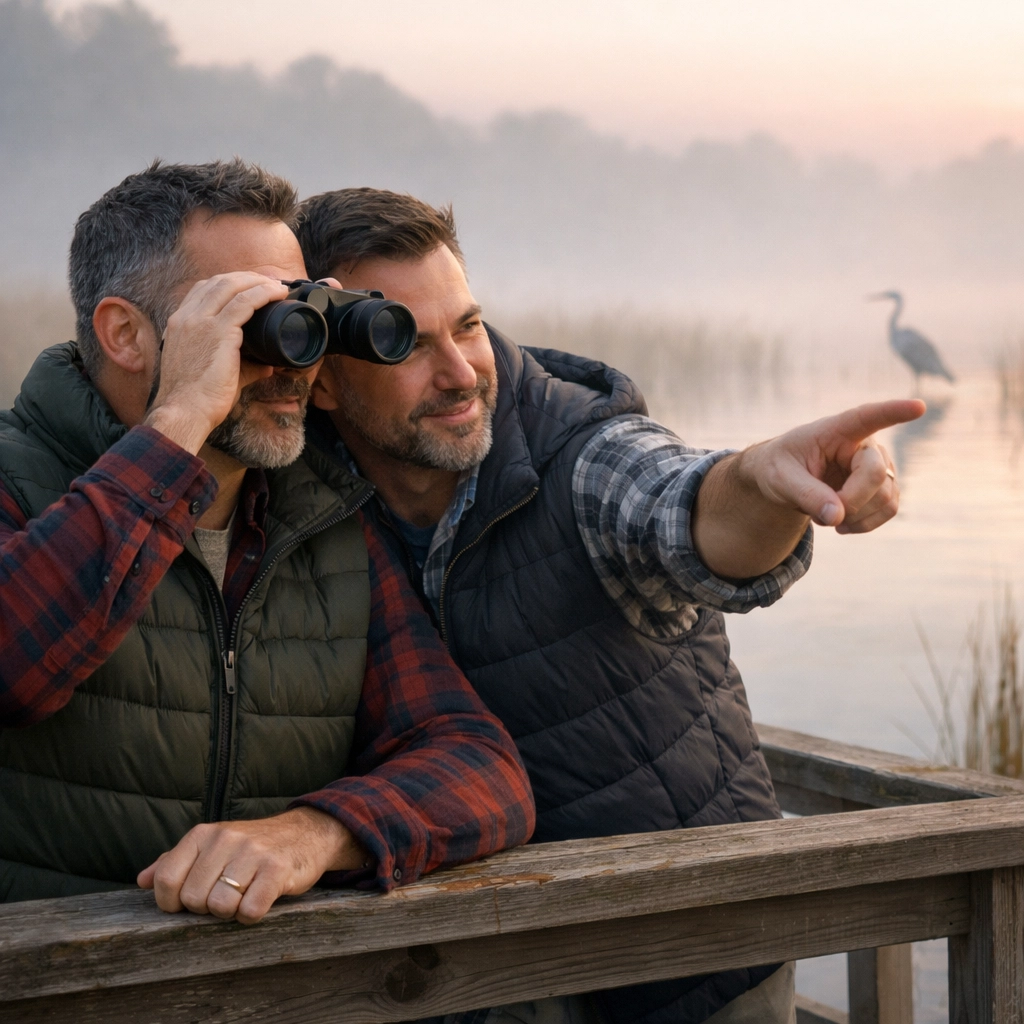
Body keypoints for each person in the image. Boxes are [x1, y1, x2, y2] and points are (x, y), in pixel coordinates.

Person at [295, 187, 924, 1024]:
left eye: (469, 326)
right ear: (326, 382)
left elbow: (687, 509)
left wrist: (769, 481)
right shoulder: (304, 493)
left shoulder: (579, 454)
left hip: (696, 960)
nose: (459, 373)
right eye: (404, 341)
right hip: (489, 966)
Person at [0, 162, 534, 923]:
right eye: (249, 323)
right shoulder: (14, 479)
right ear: (124, 334)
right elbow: (12, 669)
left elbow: (482, 767)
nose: (294, 362)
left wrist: (314, 834)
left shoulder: (318, 519)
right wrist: (182, 416)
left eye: (306, 317)